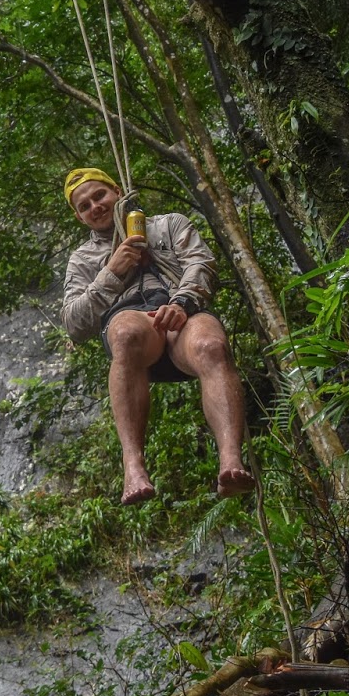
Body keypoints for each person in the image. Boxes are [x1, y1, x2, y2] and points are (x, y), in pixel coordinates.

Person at [60, 168, 256, 505]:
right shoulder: (82, 259)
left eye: (99, 195)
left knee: (211, 345)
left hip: (183, 318)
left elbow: (201, 263)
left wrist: (182, 302)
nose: (95, 206)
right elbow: (74, 324)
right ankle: (133, 466)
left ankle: (231, 462)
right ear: (80, 217)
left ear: (116, 190)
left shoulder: (169, 225)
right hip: (137, 331)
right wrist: (111, 272)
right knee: (125, 333)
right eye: (84, 205)